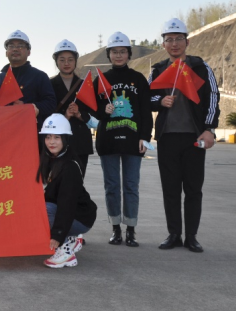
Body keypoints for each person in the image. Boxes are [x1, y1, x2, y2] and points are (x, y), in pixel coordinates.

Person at [150, 18, 220, 253]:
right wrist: (160, 101)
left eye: (179, 39)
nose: (174, 44)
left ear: (187, 42)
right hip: (167, 137)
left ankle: (191, 236)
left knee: (193, 189)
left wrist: (209, 129)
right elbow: (146, 97)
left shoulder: (201, 67)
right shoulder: (158, 70)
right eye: (169, 39)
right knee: (170, 189)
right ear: (163, 44)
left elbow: (213, 98)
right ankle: (174, 234)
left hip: (194, 137)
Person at [95, 32, 152, 247]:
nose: (118, 55)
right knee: (111, 186)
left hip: (133, 140)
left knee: (130, 186)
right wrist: (103, 110)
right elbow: (92, 109)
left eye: (122, 51)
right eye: (114, 52)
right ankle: (115, 229)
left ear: (129, 54)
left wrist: (145, 137)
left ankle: (131, 230)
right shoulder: (101, 80)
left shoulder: (138, 79)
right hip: (108, 140)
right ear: (109, 54)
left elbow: (145, 112)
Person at [37, 114, 97, 268]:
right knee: (38, 206)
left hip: (80, 216)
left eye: (57, 137)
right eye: (48, 137)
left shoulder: (70, 166)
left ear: (65, 138)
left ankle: (65, 252)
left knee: (43, 210)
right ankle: (71, 238)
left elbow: (67, 204)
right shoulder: (51, 158)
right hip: (69, 212)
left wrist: (57, 235)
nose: (51, 142)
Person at [0, 30, 57, 152]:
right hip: (4, 137)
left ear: (29, 52)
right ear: (6, 52)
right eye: (11, 46)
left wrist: (29, 107)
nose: (15, 49)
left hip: (32, 137)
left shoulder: (39, 76)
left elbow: (51, 103)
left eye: (20, 46)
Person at [49, 39, 95, 175]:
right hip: (57, 142)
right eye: (62, 60)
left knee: (77, 181)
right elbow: (47, 113)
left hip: (80, 142)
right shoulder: (49, 84)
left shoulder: (85, 85)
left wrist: (79, 114)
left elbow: (93, 112)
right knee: (56, 181)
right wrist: (65, 116)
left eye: (70, 59)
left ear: (75, 61)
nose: (66, 63)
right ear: (56, 62)